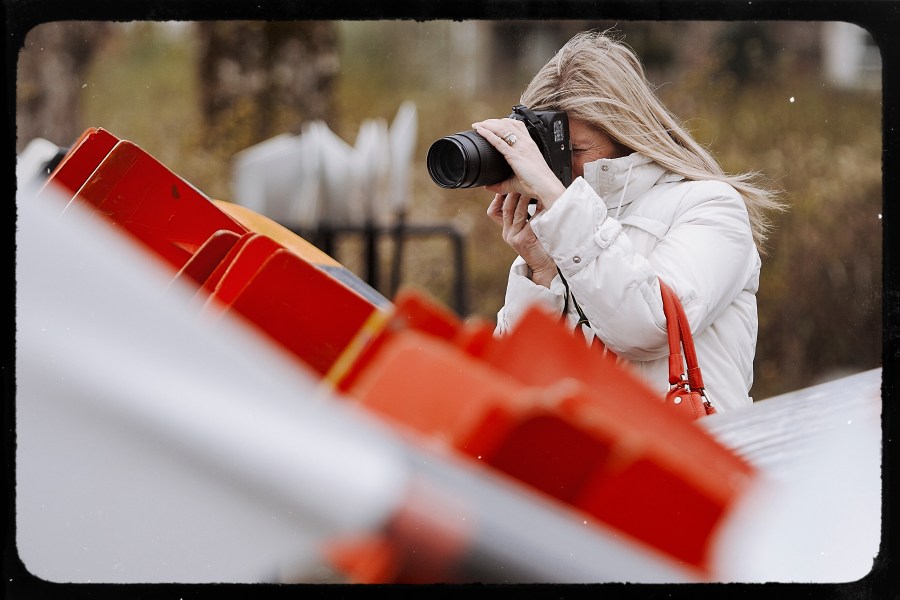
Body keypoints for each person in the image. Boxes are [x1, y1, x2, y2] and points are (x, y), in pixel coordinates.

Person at [471, 29, 784, 412]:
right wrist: (540, 270)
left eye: (575, 150)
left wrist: (561, 203)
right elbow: (519, 383)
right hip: (595, 464)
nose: (557, 167)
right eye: (547, 152)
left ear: (626, 133)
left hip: (693, 462)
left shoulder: (712, 208)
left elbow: (648, 328)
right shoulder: (564, 224)